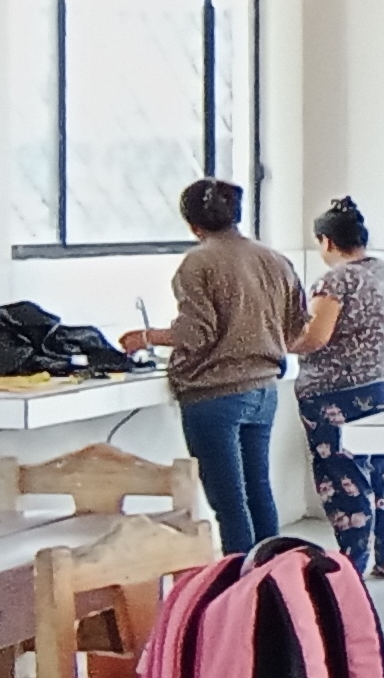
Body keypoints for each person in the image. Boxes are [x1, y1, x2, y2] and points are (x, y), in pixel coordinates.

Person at [120, 179, 300, 554]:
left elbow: (196, 333)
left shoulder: (198, 262)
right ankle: (273, 576)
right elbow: (297, 326)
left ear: (192, 224)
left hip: (214, 395)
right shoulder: (274, 259)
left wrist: (147, 337)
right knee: (258, 492)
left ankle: (239, 584)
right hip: (264, 389)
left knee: (230, 504)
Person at [289, 196, 384, 578]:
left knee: (344, 474)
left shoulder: (336, 280)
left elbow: (316, 337)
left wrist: (281, 341)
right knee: (382, 468)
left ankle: (351, 564)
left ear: (326, 241)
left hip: (340, 391)